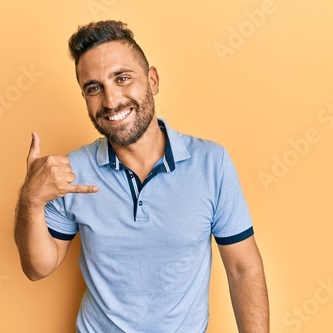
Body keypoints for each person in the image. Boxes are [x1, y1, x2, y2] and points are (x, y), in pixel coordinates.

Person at [14, 20, 269, 333]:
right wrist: (31, 199)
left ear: (152, 80)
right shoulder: (72, 171)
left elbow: (244, 268)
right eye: (93, 88)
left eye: (122, 78)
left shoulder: (211, 163)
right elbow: (38, 268)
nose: (110, 101)